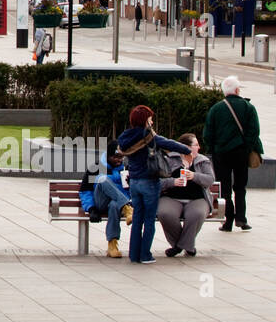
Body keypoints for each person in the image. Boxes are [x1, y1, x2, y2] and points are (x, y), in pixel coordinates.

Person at [116, 106, 192, 263]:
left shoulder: (125, 137)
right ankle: (145, 255)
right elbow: (169, 144)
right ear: (145, 120)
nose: (152, 121)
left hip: (135, 182)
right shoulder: (148, 136)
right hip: (149, 182)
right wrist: (186, 149)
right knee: (149, 219)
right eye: (150, 119)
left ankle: (134, 255)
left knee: (137, 218)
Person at [202, 75, 263, 233]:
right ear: (237, 90)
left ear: (224, 91)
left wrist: (214, 148)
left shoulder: (216, 109)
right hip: (241, 153)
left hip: (221, 154)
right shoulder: (248, 107)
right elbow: (254, 131)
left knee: (225, 189)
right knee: (240, 187)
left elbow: (208, 134)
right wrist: (246, 148)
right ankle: (241, 219)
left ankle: (227, 221)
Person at [157, 132, 215, 256]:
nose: (199, 148)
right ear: (186, 147)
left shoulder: (202, 161)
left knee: (197, 214)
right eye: (196, 145)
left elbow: (210, 180)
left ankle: (180, 247)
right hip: (172, 197)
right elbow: (158, 181)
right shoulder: (170, 159)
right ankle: (186, 244)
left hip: (197, 198)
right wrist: (173, 181)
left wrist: (194, 176)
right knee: (165, 213)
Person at [87, 140, 132, 258]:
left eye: (121, 157)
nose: (119, 160)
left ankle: (112, 245)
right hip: (100, 201)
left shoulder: (127, 168)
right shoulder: (96, 167)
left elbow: (129, 189)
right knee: (102, 179)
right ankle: (127, 208)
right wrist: (91, 209)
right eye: (115, 157)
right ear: (108, 156)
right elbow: (85, 191)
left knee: (114, 205)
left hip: (116, 202)